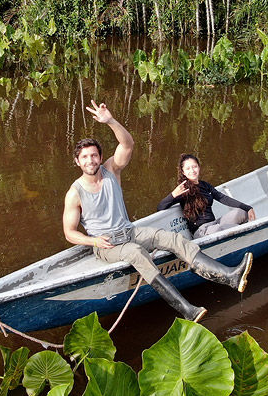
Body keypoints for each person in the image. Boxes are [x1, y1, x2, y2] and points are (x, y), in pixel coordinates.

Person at [63, 99, 254, 323]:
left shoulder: (111, 170)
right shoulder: (75, 193)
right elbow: (69, 232)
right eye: (84, 157)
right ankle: (187, 309)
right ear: (77, 161)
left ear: (100, 157)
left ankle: (229, 276)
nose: (90, 160)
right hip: (107, 245)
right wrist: (94, 242)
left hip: (130, 231)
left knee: (173, 238)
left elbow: (127, 145)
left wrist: (111, 121)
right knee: (136, 253)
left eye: (94, 155)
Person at [157, 153, 256, 237]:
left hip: (214, 223)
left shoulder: (205, 185)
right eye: (188, 169)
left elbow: (222, 198)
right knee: (219, 229)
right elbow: (160, 207)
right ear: (183, 172)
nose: (192, 171)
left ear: (199, 167)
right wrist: (173, 195)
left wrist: (248, 208)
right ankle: (246, 234)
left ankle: (241, 232)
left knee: (241, 212)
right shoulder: (183, 190)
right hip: (201, 230)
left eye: (194, 166)